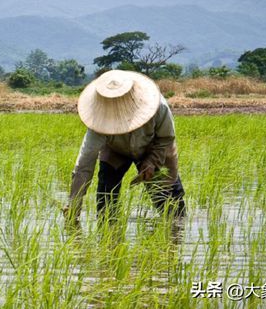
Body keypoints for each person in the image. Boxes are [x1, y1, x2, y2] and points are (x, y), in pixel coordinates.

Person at [63, 70, 186, 227]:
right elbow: (84, 164)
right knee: (106, 201)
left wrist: (151, 161)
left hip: (153, 147)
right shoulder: (98, 121)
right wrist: (74, 204)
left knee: (172, 206)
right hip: (115, 151)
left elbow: (166, 138)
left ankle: (175, 236)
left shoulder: (158, 106)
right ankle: (109, 239)